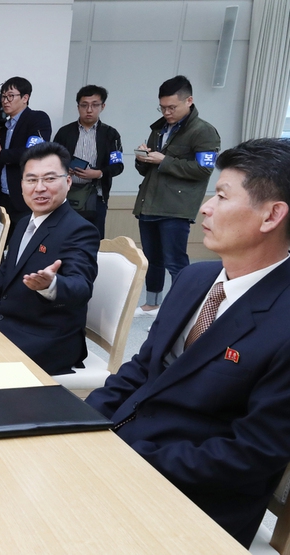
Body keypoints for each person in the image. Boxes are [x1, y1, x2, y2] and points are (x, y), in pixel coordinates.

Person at [86, 138, 290, 548]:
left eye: (220, 195)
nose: (205, 208)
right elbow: (141, 369)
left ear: (272, 215)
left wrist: (131, 459)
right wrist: (85, 425)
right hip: (122, 455)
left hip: (192, 500)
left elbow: (250, 454)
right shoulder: (196, 278)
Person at [0, 142, 99, 375]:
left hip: (49, 338)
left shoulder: (79, 229)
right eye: (32, 180)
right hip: (11, 324)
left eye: (50, 179)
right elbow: (4, 277)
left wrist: (51, 285)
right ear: (22, 185)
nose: (40, 188)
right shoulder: (24, 222)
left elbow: (82, 286)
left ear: (68, 181)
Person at [134, 75, 220, 317]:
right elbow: (147, 169)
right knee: (152, 259)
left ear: (189, 101)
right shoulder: (159, 128)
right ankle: (152, 304)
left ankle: (178, 312)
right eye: (162, 107)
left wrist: (164, 160)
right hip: (149, 202)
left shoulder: (204, 131)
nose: (167, 112)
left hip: (176, 207)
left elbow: (204, 170)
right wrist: (143, 157)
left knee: (175, 261)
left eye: (172, 107)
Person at [0, 77, 52, 239]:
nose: (5, 101)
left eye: (10, 96)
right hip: (1, 198)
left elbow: (34, 153)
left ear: (25, 98)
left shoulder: (37, 118)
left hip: (24, 199)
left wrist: (1, 153)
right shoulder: (2, 125)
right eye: (3, 96)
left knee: (23, 248)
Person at [53, 85, 124, 237]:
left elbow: (118, 166)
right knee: (62, 237)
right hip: (66, 194)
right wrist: (64, 169)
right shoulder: (64, 132)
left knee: (93, 238)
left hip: (96, 196)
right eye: (84, 105)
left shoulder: (111, 134)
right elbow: (52, 160)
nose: (89, 110)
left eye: (95, 105)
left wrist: (98, 173)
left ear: (103, 106)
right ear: (78, 106)